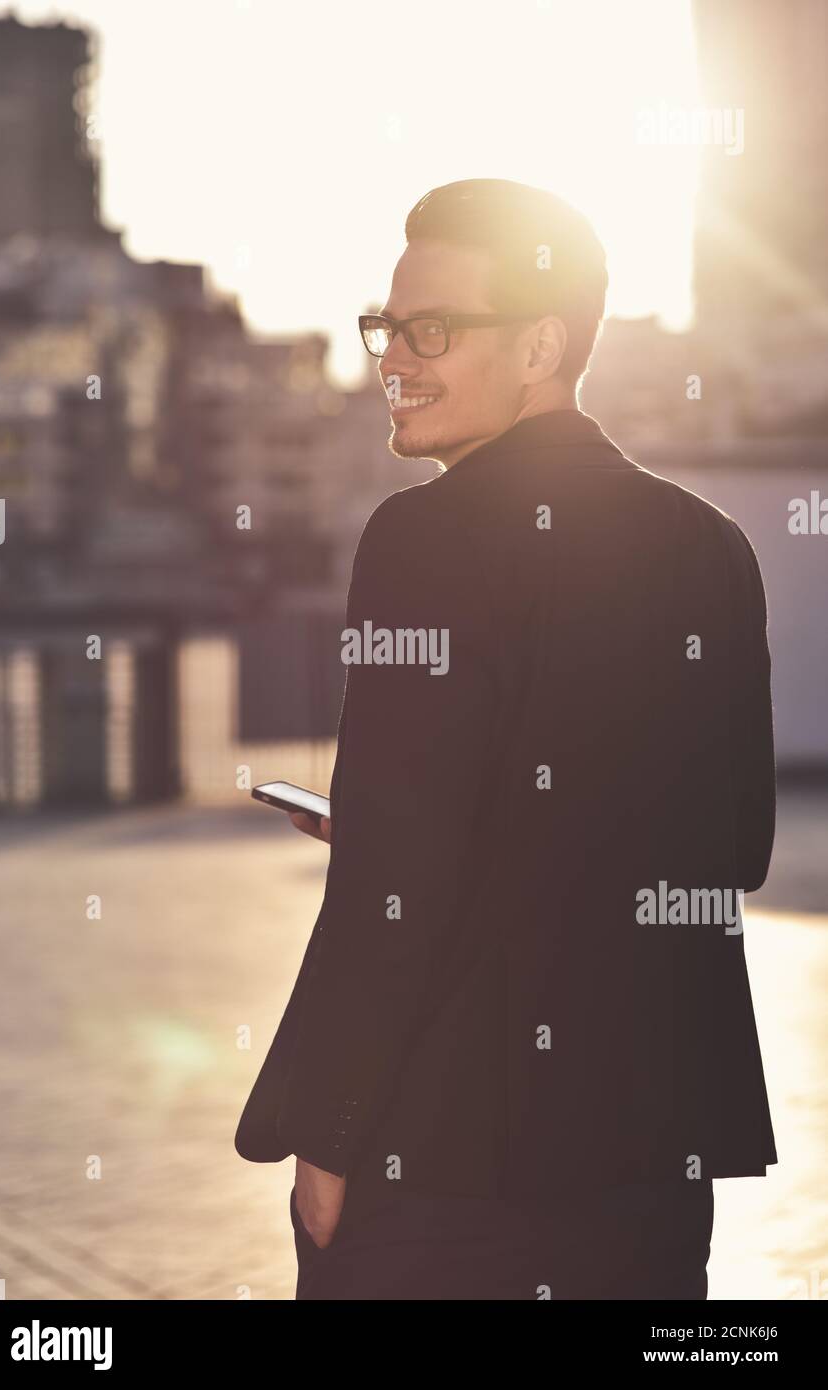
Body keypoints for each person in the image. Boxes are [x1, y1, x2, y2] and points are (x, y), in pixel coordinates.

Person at [235, 179, 777, 1300]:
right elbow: (737, 849)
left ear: (542, 344)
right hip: (649, 1167)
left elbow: (395, 888)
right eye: (386, 327)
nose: (394, 358)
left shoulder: (424, 537)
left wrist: (327, 1139)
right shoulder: (715, 547)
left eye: (432, 329)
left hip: (443, 1165)